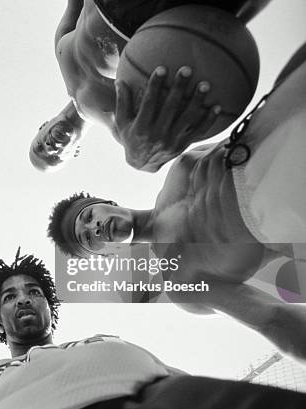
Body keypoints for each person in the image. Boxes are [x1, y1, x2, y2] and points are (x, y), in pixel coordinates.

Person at [46, 42, 306, 363]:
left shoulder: (179, 167)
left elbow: (256, 118)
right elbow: (274, 318)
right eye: (88, 238)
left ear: (104, 202)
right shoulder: (180, 281)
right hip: (276, 210)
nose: (95, 227)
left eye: (88, 217)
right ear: (109, 252)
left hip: (275, 131)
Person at [0, 251, 306, 409]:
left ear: (50, 307)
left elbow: (176, 374)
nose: (23, 300)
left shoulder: (100, 341)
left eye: (33, 292)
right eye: (10, 297)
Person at [31, 0, 271, 172]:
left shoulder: (59, 50)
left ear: (43, 126)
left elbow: (75, 5)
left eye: (39, 146)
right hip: (157, 17)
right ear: (73, 153)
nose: (49, 147)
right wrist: (139, 160)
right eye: (54, 157)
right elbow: (148, 157)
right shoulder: (121, 126)